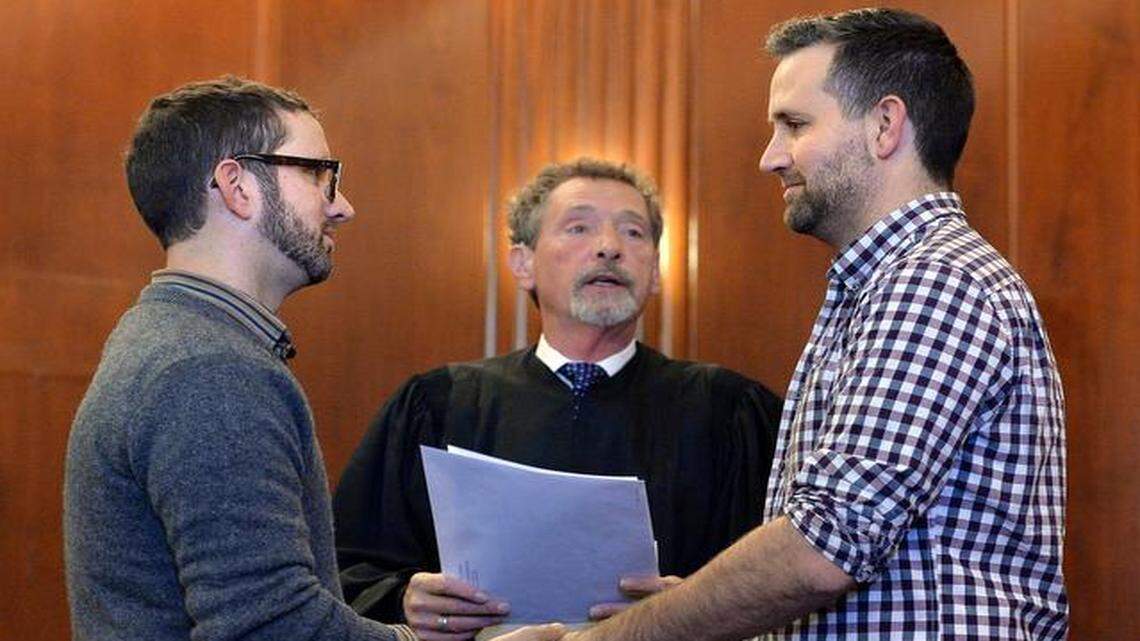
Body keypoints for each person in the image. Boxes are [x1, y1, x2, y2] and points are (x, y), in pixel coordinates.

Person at [559, 8, 1068, 641]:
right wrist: (702, 604)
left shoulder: (935, 279)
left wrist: (605, 639)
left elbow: (824, 551)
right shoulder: (882, 284)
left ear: (885, 125)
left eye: (794, 125)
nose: (771, 158)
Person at [64, 76, 563, 641]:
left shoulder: (176, 340)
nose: (342, 206)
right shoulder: (208, 368)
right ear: (238, 186)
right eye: (319, 174)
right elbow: (271, 628)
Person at [332, 158, 782, 640]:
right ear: (522, 263)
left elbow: (786, 578)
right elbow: (345, 570)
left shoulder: (729, 412)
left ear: (654, 271)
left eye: (633, 233)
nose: (609, 248)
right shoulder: (439, 405)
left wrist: (694, 608)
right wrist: (405, 598)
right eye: (579, 227)